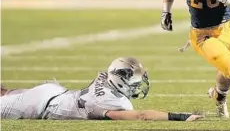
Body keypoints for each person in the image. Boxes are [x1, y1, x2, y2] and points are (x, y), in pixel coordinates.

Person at [1, 57, 202, 121]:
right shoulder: (112, 101)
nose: (137, 84)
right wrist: (180, 117)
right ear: (121, 80)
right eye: (134, 80)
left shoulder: (107, 78)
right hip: (43, 103)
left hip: (52, 93)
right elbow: (141, 115)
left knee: (5, 93)